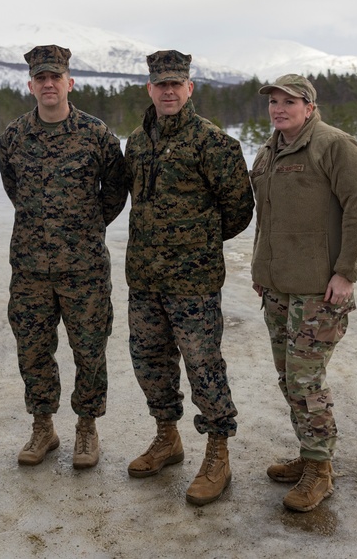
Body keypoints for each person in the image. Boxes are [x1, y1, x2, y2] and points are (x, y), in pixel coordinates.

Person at [123, 50, 254, 506]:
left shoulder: (214, 143)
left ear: (190, 88)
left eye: (177, 83)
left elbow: (239, 211)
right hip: (143, 280)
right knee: (150, 364)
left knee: (204, 367)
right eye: (162, 84)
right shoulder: (137, 141)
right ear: (150, 89)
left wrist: (195, 244)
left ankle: (218, 453)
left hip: (193, 284)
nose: (169, 91)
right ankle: (167, 437)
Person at [250, 74, 357, 512]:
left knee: (306, 381)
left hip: (319, 291)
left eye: (289, 101)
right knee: (289, 379)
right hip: (279, 287)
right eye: (273, 102)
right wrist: (260, 269)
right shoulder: (269, 152)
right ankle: (309, 455)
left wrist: (347, 273)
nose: (279, 108)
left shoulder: (334, 145)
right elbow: (265, 220)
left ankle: (320, 470)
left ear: (309, 106)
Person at [0, 45, 127, 469]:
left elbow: (114, 192)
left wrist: (85, 227)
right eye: (41, 78)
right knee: (32, 350)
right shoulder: (13, 136)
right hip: (31, 269)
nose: (49, 84)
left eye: (56, 77)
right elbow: (14, 188)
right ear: (31, 85)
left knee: (89, 350)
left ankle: (86, 428)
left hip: (84, 269)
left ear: (70, 83)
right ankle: (43, 427)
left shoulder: (97, 135)